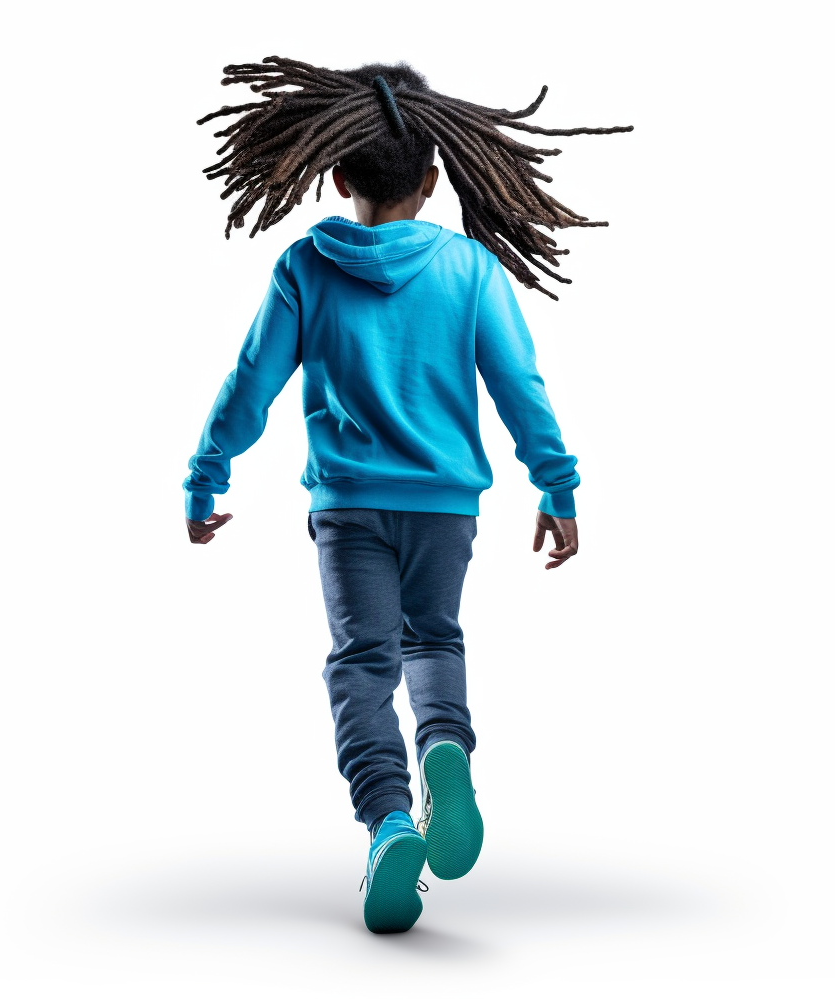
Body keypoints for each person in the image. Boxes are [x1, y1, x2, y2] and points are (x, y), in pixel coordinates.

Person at [183, 57, 631, 933]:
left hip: (348, 508)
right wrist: (558, 485)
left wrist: (207, 475)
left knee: (360, 662)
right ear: (436, 179)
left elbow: (251, 384)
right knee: (434, 639)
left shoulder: (306, 267)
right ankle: (448, 755)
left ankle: (390, 818)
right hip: (446, 510)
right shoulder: (470, 270)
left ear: (337, 174)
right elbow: (520, 388)